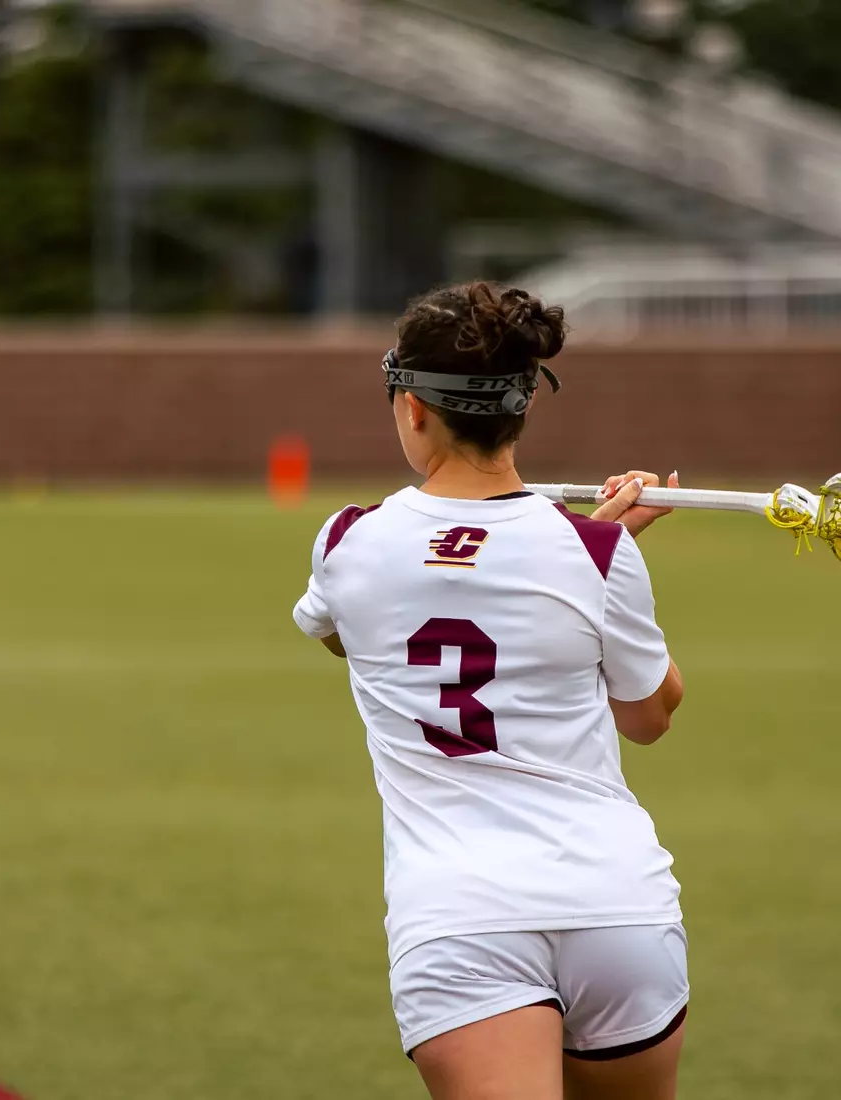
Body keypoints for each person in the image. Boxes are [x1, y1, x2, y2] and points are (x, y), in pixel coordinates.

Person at [292, 282, 688, 1099]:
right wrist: (609, 552)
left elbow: (339, 632)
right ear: (521, 409)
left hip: (461, 917)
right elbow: (650, 718)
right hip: (615, 906)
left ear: (413, 409)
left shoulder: (346, 539)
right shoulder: (599, 553)